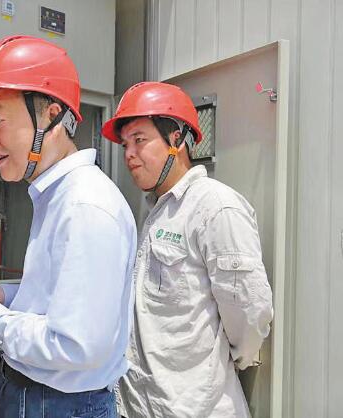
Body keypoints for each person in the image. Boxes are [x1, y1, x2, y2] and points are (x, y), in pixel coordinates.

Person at [0, 35, 137, 418]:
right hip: (34, 396)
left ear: (50, 115)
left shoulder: (85, 205)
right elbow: (60, 295)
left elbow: (75, 345)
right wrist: (4, 294)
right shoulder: (56, 196)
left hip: (59, 405)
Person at [101, 82, 274, 417]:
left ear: (176, 140)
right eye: (125, 145)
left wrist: (220, 364)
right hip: (139, 405)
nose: (129, 154)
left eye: (140, 140)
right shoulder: (153, 210)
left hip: (194, 407)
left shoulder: (215, 207)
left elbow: (250, 310)